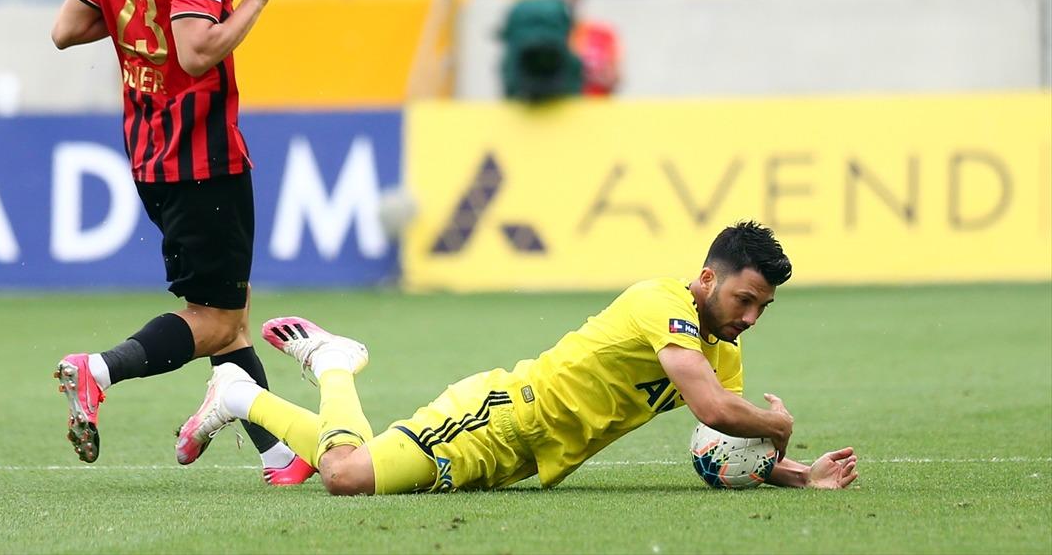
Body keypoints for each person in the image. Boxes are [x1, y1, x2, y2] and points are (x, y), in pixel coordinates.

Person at [175, 221, 859, 494]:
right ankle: (331, 361)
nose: (750, 317)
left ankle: (239, 393)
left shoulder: (721, 346)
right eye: (746, 298)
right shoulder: (662, 302)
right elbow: (717, 410)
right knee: (346, 476)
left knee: (347, 463)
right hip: (500, 415)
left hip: (524, 457)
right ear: (708, 279)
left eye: (763, 308)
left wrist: (799, 476)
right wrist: (777, 430)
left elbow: (728, 425)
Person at [49, 0, 313, 485]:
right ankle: (98, 370)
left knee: (232, 310)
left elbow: (66, 28)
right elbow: (197, 52)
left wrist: (136, 21)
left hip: (148, 154)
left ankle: (279, 456)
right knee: (216, 320)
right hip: (203, 158)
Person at [552, 0, 622, 97]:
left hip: (594, 109)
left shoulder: (602, 33)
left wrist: (585, 74)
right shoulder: (544, 37)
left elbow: (614, 79)